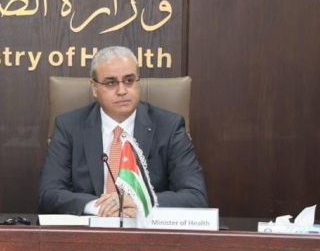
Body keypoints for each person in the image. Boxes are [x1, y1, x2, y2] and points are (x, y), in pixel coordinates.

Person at [38, 46, 207, 216]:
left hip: (145, 229)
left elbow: (195, 197)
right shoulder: (69, 127)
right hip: (91, 228)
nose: (122, 91)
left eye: (129, 80)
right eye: (111, 83)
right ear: (94, 88)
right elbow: (49, 194)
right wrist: (101, 207)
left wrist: (139, 201)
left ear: (138, 83)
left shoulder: (169, 127)